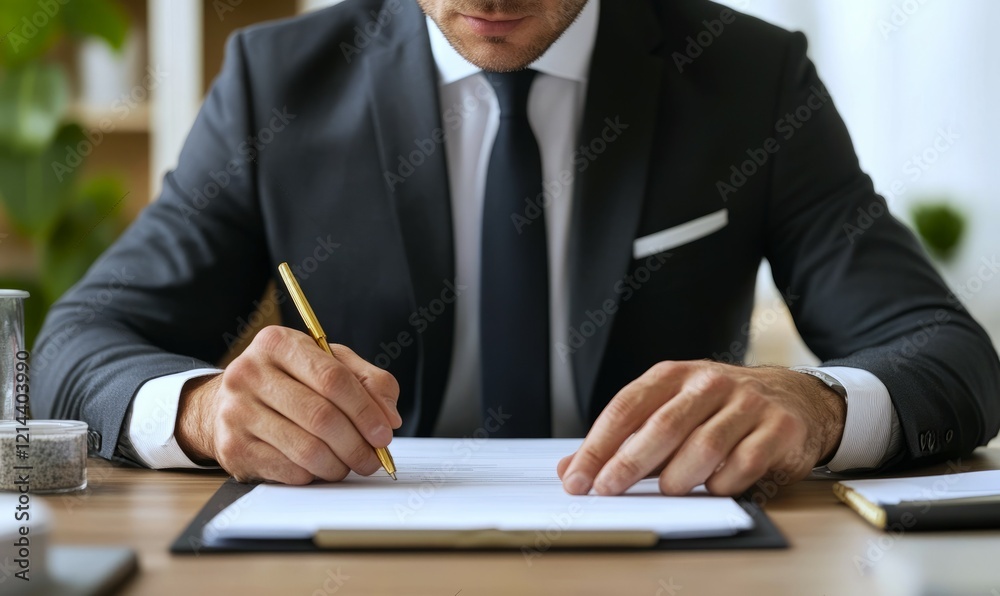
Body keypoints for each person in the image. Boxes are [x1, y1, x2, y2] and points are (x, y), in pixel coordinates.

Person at [34, 0, 1000, 497]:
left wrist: (820, 406)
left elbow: (945, 354)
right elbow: (78, 344)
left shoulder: (749, 79)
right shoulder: (274, 83)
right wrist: (201, 411)